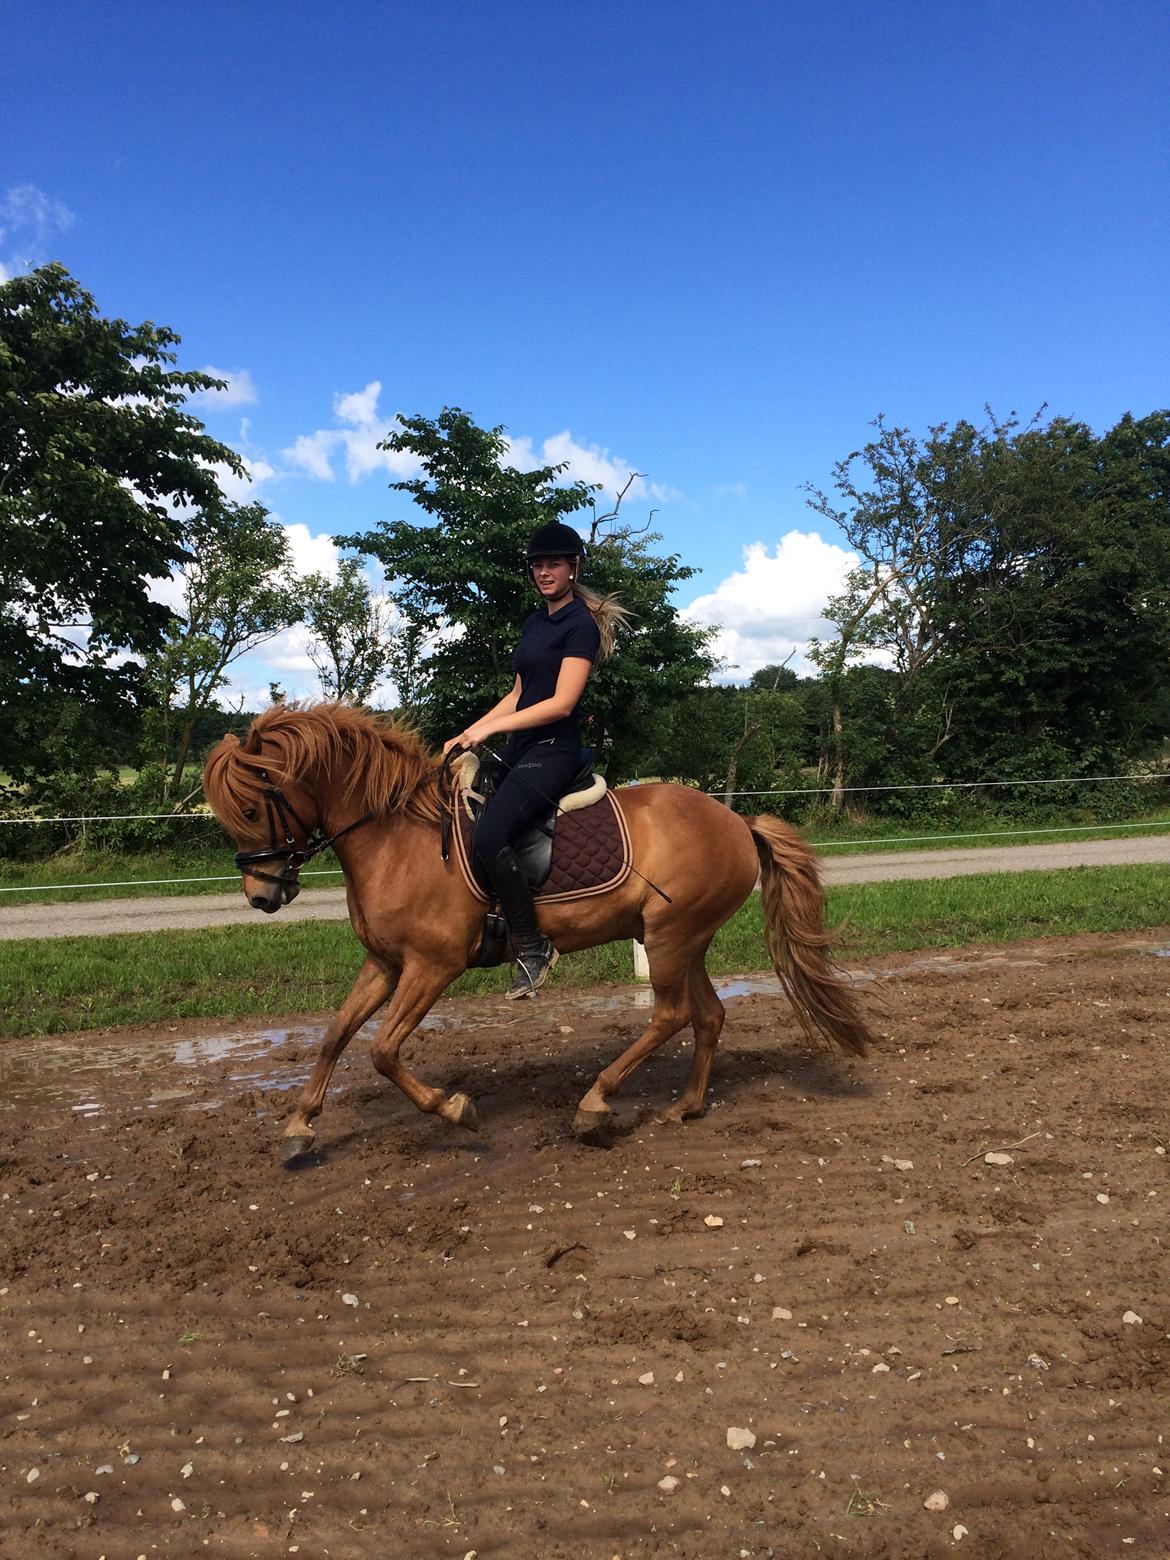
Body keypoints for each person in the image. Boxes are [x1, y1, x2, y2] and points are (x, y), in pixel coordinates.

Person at [443, 520, 628, 998]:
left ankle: (532, 944)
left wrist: (489, 729)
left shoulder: (580, 626)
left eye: (554, 564)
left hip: (555, 749)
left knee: (491, 833)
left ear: (573, 567)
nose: (544, 573)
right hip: (522, 747)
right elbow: (521, 692)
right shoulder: (534, 623)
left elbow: (561, 702)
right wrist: (469, 732)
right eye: (538, 565)